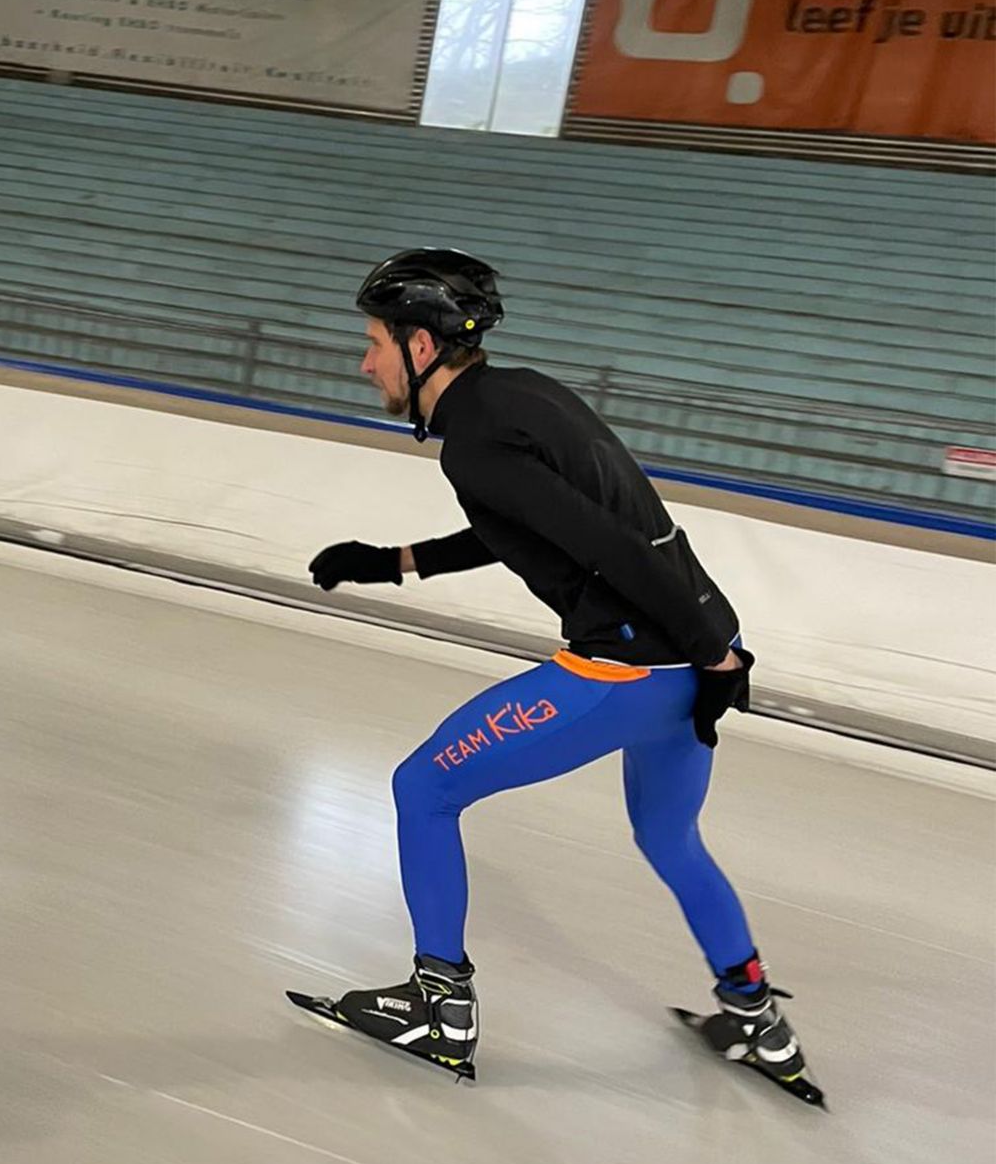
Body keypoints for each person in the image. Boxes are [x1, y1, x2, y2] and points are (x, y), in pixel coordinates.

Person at [302, 247, 815, 1096]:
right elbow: (539, 524)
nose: (366, 362)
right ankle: (760, 1021)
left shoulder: (474, 442)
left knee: (421, 788)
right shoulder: (522, 397)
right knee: (669, 836)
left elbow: (607, 543)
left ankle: (441, 1007)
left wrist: (713, 648)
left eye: (374, 343)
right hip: (684, 672)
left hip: (631, 672)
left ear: (420, 347)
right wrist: (393, 561)